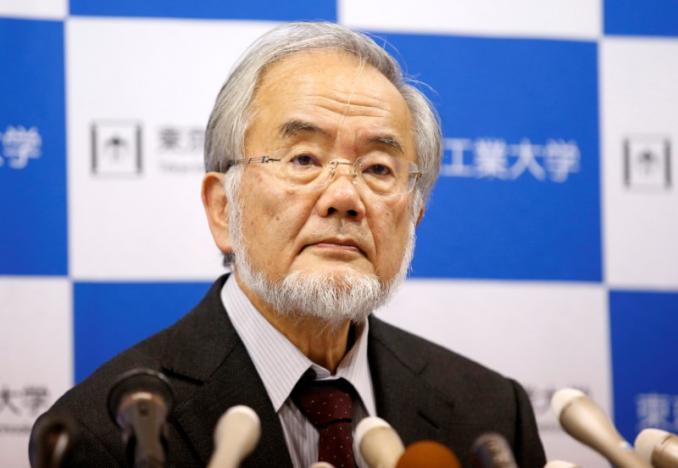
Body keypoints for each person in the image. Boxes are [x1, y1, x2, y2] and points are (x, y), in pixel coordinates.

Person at [30, 22, 546, 467]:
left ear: (414, 215)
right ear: (223, 209)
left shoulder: (492, 415)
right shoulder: (104, 432)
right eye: (303, 160)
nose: (344, 198)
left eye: (378, 168)